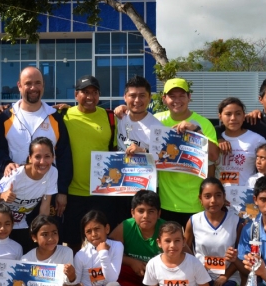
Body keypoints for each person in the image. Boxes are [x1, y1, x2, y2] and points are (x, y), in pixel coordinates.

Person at [0, 66, 73, 222]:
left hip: (47, 193)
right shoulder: (5, 117)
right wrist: (6, 164)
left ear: (43, 86)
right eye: (28, 83)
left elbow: (64, 155)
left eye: (37, 83)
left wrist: (62, 191)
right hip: (15, 194)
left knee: (47, 241)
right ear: (19, 86)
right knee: (16, 241)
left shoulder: (55, 117)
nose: (33, 88)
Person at [57, 75, 118, 249]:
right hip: (74, 192)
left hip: (103, 193)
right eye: (85, 92)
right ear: (76, 95)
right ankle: (77, 276)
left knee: (104, 240)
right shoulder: (64, 115)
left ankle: (103, 274)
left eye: (94, 92)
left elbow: (114, 151)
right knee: (74, 240)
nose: (90, 97)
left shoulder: (110, 117)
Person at [153, 78, 219, 225]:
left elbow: (214, 156)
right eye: (172, 96)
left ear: (189, 97)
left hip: (196, 203)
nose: (177, 100)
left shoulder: (203, 123)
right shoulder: (156, 121)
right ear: (164, 99)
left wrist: (196, 131)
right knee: (170, 247)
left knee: (195, 248)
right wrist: (123, 110)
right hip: (166, 203)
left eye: (181, 96)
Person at [0, 137, 58, 252]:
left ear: (53, 158)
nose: (42, 162)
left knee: (21, 257)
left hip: (19, 223)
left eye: (47, 156)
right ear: (30, 158)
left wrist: (42, 230)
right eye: (37, 157)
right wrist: (3, 195)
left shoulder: (52, 172)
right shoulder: (15, 175)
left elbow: (45, 207)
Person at [183, 178, 242, 286]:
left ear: (224, 197)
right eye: (208, 196)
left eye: (218, 195)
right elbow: (184, 247)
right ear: (200, 199)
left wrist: (225, 276)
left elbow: (239, 258)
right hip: (201, 275)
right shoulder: (194, 221)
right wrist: (195, 268)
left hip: (228, 276)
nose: (213, 200)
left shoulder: (236, 222)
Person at [108, 189, 162, 286]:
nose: (146, 216)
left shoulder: (166, 229)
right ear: (133, 213)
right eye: (141, 211)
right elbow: (107, 251)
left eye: (151, 211)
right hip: (135, 273)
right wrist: (131, 261)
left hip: (160, 280)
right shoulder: (126, 226)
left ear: (159, 213)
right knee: (107, 270)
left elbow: (186, 257)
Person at [113, 76, 164, 218]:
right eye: (132, 96)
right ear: (125, 97)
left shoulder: (157, 127)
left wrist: (143, 151)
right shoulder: (120, 117)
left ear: (149, 98)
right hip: (120, 185)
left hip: (145, 187)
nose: (137, 100)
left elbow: (163, 159)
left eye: (142, 96)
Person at [215, 97, 265, 186]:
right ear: (220, 117)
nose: (233, 118)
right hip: (220, 197)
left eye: (238, 114)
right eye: (228, 114)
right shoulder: (213, 139)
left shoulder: (257, 140)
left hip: (247, 196)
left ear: (243, 116)